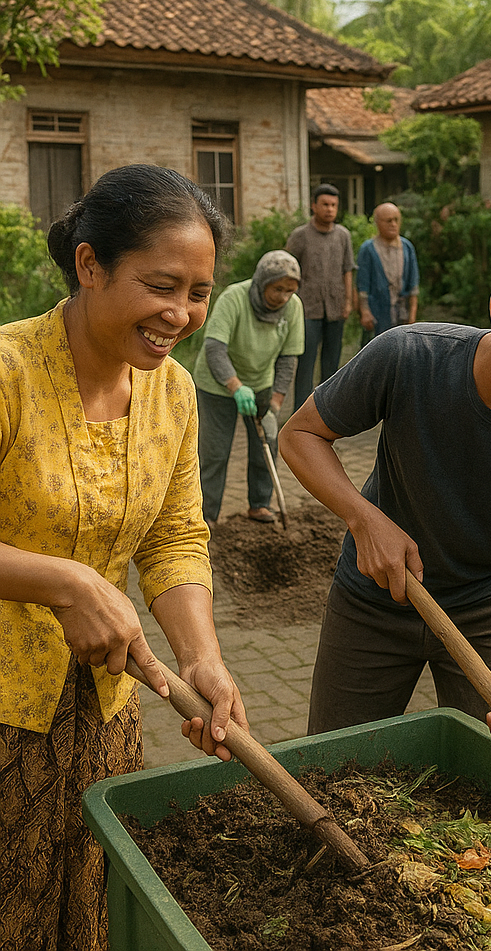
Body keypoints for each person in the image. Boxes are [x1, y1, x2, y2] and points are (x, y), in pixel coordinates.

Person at [0, 164, 249, 950]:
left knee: (97, 903)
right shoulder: (8, 373)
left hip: (106, 709)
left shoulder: (173, 394)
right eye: (162, 286)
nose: (181, 314)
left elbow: (175, 538)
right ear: (89, 265)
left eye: (200, 293)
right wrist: (63, 580)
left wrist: (202, 659)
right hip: (4, 713)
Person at [280, 226, 491, 768]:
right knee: (333, 768)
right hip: (373, 599)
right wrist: (363, 518)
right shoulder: (409, 357)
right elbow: (300, 435)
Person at [193, 249, 304, 526]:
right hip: (217, 384)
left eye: (289, 291)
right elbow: (215, 348)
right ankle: (206, 519)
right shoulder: (235, 297)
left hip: (261, 382)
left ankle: (260, 504)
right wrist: (235, 386)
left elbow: (288, 360)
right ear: (262, 281)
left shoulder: (294, 308)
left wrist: (275, 407)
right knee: (215, 453)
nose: (283, 297)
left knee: (265, 442)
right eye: (277, 288)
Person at [287, 183, 354, 409]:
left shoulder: (343, 235)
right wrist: (291, 301)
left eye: (334, 205)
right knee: (306, 362)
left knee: (332, 362)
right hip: (307, 308)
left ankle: (327, 410)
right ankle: (300, 411)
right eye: (325, 204)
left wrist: (348, 301)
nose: (329, 209)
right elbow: (288, 269)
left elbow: (347, 269)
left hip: (335, 307)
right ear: (314, 206)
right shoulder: (300, 235)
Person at [357, 201, 419, 343]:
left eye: (396, 220)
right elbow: (362, 286)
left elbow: (414, 285)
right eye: (388, 220)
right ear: (378, 223)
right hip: (377, 312)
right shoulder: (368, 249)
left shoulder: (407, 247)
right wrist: (365, 312)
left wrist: (412, 316)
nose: (393, 224)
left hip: (401, 312)